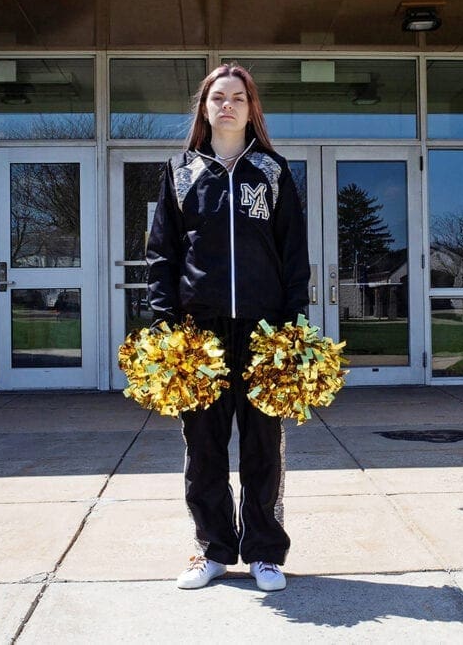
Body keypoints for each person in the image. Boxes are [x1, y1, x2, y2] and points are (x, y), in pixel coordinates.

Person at [146, 63, 309, 591]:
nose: (228, 105)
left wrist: (291, 327)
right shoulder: (180, 172)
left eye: (238, 97)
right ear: (205, 106)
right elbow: (161, 256)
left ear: (251, 107)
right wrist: (168, 324)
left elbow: (293, 255)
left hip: (263, 332)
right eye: (219, 96)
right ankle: (211, 550)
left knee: (263, 444)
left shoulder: (274, 172)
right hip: (201, 334)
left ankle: (264, 552)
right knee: (205, 446)